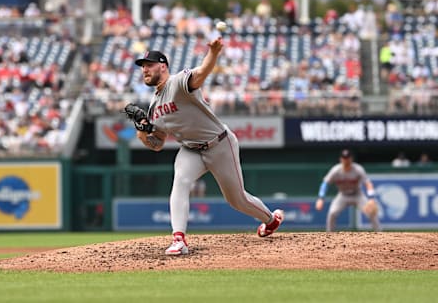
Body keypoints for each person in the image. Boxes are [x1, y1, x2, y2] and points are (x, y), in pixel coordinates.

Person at [131, 41, 284, 256]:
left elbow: (201, 74)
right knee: (180, 182)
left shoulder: (177, 83)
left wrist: (212, 53)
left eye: (149, 65)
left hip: (219, 143)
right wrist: (141, 132)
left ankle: (270, 219)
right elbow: (157, 144)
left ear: (163, 66)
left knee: (237, 199)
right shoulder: (153, 107)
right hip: (191, 150)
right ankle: (179, 240)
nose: (144, 70)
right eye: (142, 66)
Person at [315, 149, 380, 232]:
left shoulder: (358, 169)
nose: (346, 160)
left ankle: (380, 235)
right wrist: (321, 198)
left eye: (348, 158)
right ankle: (329, 237)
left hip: (357, 195)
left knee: (372, 213)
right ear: (341, 159)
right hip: (343, 196)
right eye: (344, 158)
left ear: (351, 159)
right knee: (332, 213)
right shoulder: (336, 170)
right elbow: (325, 183)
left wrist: (371, 198)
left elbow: (368, 184)